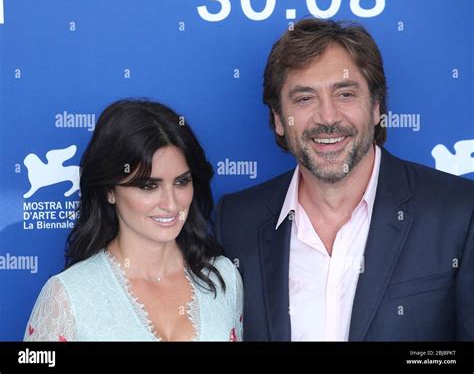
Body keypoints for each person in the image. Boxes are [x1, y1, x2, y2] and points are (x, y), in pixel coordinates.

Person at [216, 19, 474, 341]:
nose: (328, 117)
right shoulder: (234, 221)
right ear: (279, 119)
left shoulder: (459, 212)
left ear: (377, 106)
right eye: (305, 98)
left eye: (346, 94)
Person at [24, 99, 243, 341]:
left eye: (181, 182)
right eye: (149, 186)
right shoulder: (68, 296)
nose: (171, 204)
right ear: (109, 191)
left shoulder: (223, 277)